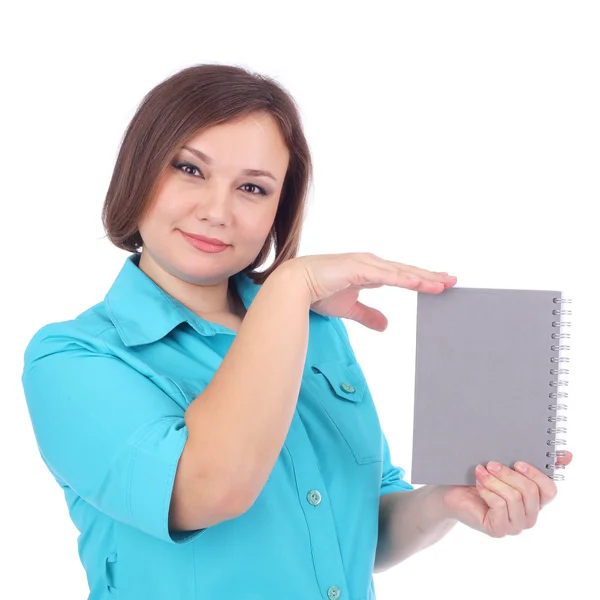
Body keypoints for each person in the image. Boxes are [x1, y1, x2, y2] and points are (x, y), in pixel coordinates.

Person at [21, 63, 573, 600]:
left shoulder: (316, 329)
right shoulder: (71, 360)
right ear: (138, 171)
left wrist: (447, 502)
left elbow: (355, 529)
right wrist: (291, 284)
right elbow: (208, 489)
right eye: (189, 169)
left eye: (254, 189)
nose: (218, 211)